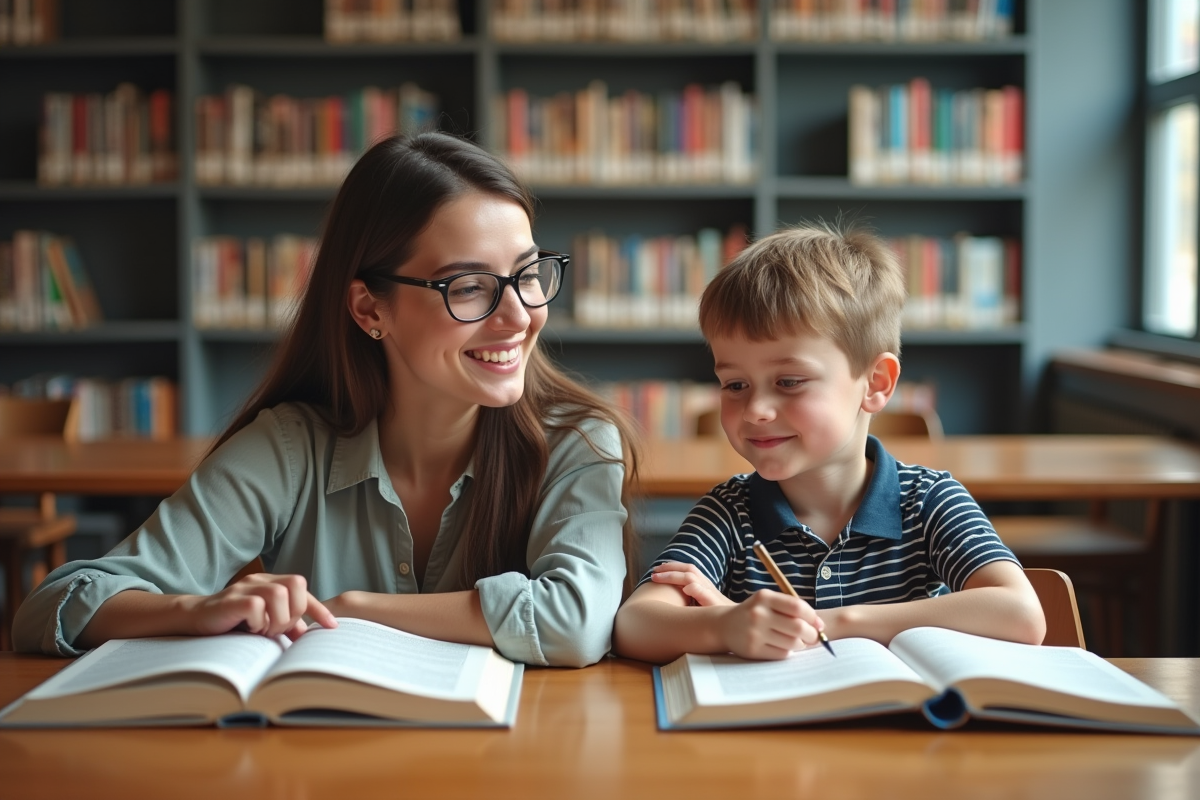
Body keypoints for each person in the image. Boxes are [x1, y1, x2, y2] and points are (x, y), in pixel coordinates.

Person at [15, 132, 638, 668]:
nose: (518, 316)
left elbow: (576, 620)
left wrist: (353, 610)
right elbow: (53, 606)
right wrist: (196, 608)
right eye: (470, 287)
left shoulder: (576, 441)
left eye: (529, 275)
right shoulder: (290, 449)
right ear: (371, 309)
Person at [613, 224, 1045, 664]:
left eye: (789, 381)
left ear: (875, 384)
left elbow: (1020, 614)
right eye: (735, 384)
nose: (756, 409)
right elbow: (635, 624)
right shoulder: (730, 512)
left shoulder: (928, 501)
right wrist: (726, 625)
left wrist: (833, 623)